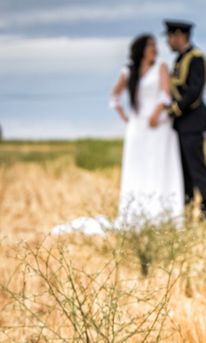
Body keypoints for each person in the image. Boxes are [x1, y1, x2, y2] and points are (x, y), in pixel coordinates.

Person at [52, 34, 183, 235]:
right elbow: (115, 97)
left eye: (155, 46)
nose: (154, 50)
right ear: (140, 49)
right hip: (138, 127)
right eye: (150, 46)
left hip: (159, 126)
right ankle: (138, 213)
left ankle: (162, 214)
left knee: (159, 165)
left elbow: (166, 95)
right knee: (138, 168)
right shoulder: (129, 71)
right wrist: (127, 118)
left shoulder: (161, 67)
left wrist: (156, 113)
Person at [164, 20, 206, 223]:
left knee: (197, 170)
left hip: (192, 122)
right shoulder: (180, 59)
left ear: (179, 36)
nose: (169, 41)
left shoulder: (196, 58)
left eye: (170, 37)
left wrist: (175, 109)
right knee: (185, 173)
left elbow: (194, 91)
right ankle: (186, 214)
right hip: (181, 124)